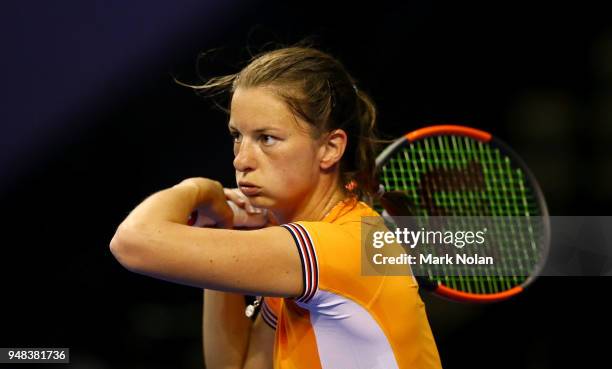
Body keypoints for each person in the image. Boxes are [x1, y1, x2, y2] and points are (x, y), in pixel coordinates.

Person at [110, 44, 443, 369]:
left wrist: (196, 189)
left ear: (330, 148)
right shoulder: (326, 249)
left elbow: (132, 243)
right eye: (237, 135)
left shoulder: (333, 248)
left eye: (267, 138)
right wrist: (219, 224)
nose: (241, 160)